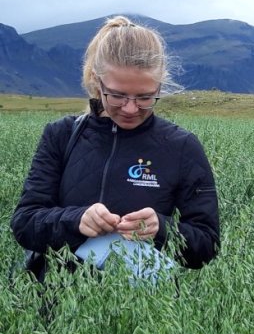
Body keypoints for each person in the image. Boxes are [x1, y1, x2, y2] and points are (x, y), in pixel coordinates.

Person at [11, 16, 220, 280]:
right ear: (98, 83)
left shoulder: (181, 146)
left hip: (145, 310)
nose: (131, 108)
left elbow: (207, 244)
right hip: (56, 303)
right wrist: (77, 221)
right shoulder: (61, 136)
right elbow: (25, 224)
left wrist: (162, 228)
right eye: (118, 95)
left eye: (145, 97)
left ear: (160, 86)